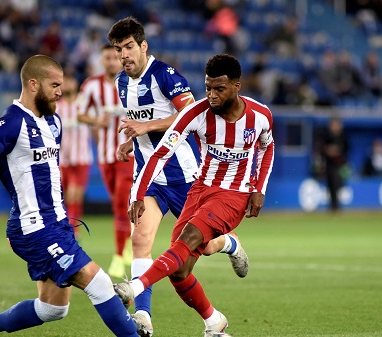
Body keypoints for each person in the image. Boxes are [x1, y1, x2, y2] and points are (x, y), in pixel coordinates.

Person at [0, 55, 138, 337]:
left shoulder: (54, 121)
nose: (61, 90)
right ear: (34, 84)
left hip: (56, 224)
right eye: (55, 85)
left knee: (53, 308)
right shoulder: (11, 121)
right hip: (36, 228)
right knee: (100, 284)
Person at [113, 54, 275, 337]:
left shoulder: (260, 115)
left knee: (187, 239)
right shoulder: (196, 113)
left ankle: (134, 289)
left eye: (219, 89)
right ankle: (214, 321)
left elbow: (267, 146)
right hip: (200, 189)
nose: (211, 95)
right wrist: (138, 192)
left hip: (234, 195)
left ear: (237, 86)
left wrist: (259, 189)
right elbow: (162, 152)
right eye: (208, 87)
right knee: (180, 269)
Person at [76, 44, 134, 278]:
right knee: (118, 204)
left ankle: (119, 256)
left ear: (121, 58)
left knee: (121, 204)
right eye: (107, 57)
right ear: (101, 60)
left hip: (127, 154)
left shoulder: (132, 82)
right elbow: (79, 112)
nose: (111, 61)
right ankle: (128, 240)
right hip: (104, 155)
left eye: (114, 57)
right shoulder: (91, 85)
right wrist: (94, 121)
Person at [57, 73, 93, 237]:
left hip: (82, 157)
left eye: (70, 80)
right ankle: (68, 225)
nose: (68, 85)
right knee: (65, 194)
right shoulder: (57, 107)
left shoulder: (83, 105)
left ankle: (73, 227)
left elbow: (95, 126)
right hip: (64, 158)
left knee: (75, 193)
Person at [320, 116, 350, 211]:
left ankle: (336, 206)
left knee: (338, 183)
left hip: (341, 165)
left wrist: (338, 151)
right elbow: (321, 149)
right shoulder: (326, 136)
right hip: (329, 165)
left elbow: (347, 149)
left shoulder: (343, 136)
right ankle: (333, 207)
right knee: (331, 185)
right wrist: (328, 150)